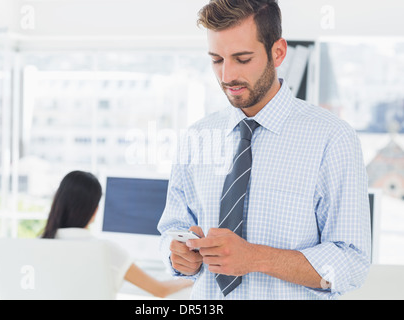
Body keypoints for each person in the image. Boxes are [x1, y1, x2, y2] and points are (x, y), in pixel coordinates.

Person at [157, 0, 370, 299]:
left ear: (278, 52)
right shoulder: (196, 137)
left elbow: (352, 263)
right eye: (217, 60)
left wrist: (256, 258)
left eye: (242, 59)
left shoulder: (332, 138)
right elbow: (173, 228)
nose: (227, 75)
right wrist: (176, 255)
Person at [41, 170, 192, 298]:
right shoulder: (105, 250)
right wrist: (191, 279)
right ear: (95, 210)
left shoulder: (40, 245)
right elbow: (161, 290)